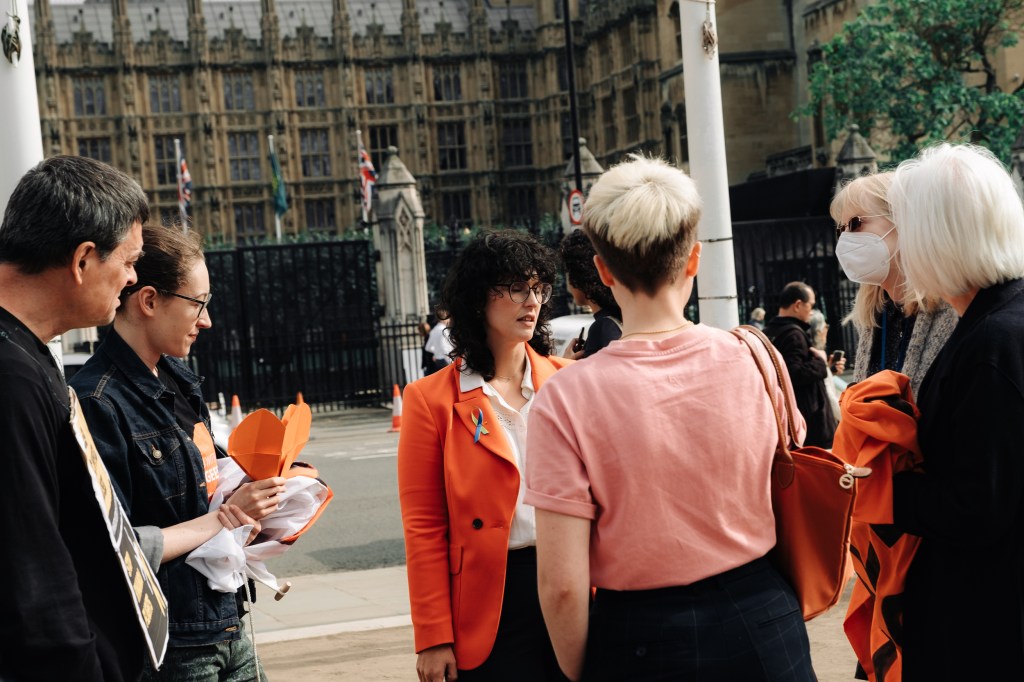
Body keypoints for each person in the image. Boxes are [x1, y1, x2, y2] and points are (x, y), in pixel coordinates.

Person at [525, 156, 814, 682]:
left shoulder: (565, 397)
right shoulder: (755, 355)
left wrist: (582, 670)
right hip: (763, 615)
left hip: (640, 635)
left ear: (604, 270)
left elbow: (563, 585)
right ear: (694, 259)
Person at [70, 224, 288, 680]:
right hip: (171, 643)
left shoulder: (176, 379)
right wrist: (227, 515)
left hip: (226, 617)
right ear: (149, 301)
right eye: (198, 303)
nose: (206, 320)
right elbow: (115, 547)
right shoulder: (97, 401)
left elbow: (206, 487)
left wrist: (265, 490)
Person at [397, 229, 571, 682]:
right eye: (516, 287)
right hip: (489, 603)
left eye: (539, 288)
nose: (531, 300)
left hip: (570, 582)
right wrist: (433, 636)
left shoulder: (568, 383)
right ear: (478, 299)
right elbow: (424, 526)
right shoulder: (429, 399)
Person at [0, 155, 149, 681]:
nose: (131, 279)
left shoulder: (26, 353)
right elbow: (33, 574)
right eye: (129, 261)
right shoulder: (11, 379)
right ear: (84, 259)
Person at [886, 143, 1024, 680]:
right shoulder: (996, 322)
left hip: (983, 625)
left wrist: (876, 488)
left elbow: (977, 505)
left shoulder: (992, 342)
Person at [831, 171, 957, 398]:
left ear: (903, 220)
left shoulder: (952, 311)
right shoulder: (876, 315)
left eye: (855, 223)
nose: (845, 238)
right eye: (841, 229)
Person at [763, 281, 836, 447]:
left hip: (783, 415)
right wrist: (820, 362)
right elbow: (793, 373)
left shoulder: (768, 332)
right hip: (807, 418)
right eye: (810, 305)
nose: (811, 311)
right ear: (797, 305)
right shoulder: (794, 334)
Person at [559, 228, 622, 359]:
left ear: (580, 277)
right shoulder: (622, 317)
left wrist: (566, 367)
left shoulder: (602, 329)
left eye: (569, 272)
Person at [423, 308, 454, 373]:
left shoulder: (434, 330)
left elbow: (427, 347)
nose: (449, 320)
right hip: (446, 360)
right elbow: (444, 347)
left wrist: (436, 352)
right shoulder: (444, 330)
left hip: (438, 361)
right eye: (448, 318)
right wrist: (451, 360)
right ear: (444, 318)